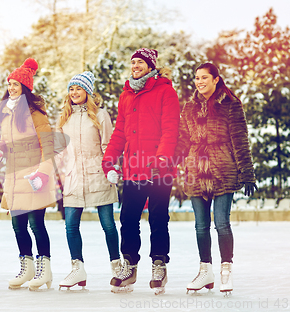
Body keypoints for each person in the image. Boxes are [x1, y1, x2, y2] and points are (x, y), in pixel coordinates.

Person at [102, 48, 180, 294]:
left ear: (150, 66)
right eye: (133, 62)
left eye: (140, 62)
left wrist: (161, 159)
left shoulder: (165, 91)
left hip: (159, 169)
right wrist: (110, 161)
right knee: (128, 219)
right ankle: (130, 265)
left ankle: (159, 264)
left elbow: (170, 129)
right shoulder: (126, 96)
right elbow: (119, 132)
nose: (135, 65)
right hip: (134, 169)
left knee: (158, 219)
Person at [174, 63, 257, 295]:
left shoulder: (231, 105)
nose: (199, 82)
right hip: (195, 172)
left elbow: (240, 141)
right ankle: (205, 270)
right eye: (196, 78)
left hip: (222, 169)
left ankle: (226, 271)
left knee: (222, 223)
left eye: (204, 78)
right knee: (201, 226)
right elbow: (182, 139)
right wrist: (171, 162)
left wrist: (247, 174)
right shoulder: (189, 107)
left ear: (216, 80)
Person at [0, 58, 56, 291]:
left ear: (25, 87)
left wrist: (43, 173)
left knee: (36, 225)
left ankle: (43, 269)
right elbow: (6, 142)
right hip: (14, 176)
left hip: (33, 176)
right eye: (10, 83)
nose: (11, 88)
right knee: (18, 225)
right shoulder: (6, 114)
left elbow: (48, 146)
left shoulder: (35, 113)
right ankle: (26, 267)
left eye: (16, 84)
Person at [54, 71, 121, 291]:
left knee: (108, 224)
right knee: (71, 225)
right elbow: (59, 151)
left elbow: (108, 146)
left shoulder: (100, 115)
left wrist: (111, 168)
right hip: (73, 177)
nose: (74, 92)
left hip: (98, 174)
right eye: (71, 89)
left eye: (78, 88)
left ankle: (116, 266)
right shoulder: (64, 117)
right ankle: (77, 269)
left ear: (88, 92)